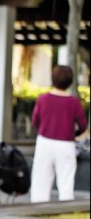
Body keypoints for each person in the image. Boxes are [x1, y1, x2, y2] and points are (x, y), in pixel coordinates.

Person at [30, 65, 88, 203]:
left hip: (44, 142)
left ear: (52, 79)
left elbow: (34, 121)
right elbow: (83, 125)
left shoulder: (43, 99)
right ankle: (65, 212)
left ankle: (37, 212)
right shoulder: (73, 102)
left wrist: (45, 128)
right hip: (66, 144)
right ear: (70, 81)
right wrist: (74, 134)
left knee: (41, 181)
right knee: (65, 182)